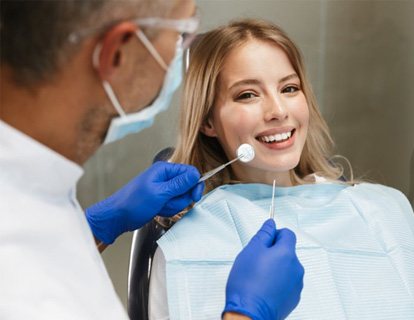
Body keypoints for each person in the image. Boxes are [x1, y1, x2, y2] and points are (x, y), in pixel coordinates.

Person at [0, 1, 304, 319]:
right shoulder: (29, 296)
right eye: (180, 37)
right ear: (119, 53)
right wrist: (247, 315)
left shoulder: (29, 196)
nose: (278, 111)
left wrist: (93, 227)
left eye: (290, 88)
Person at [148, 19, 414, 319]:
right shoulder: (185, 247)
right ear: (208, 121)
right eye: (247, 94)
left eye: (289, 88)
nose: (278, 111)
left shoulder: (384, 210)